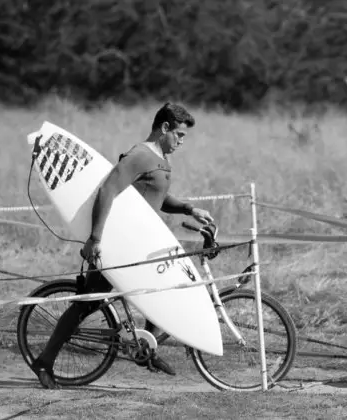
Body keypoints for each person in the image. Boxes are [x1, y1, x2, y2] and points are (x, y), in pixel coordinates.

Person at [30, 102, 215, 389]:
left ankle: (149, 352)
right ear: (164, 128)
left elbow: (157, 197)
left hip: (138, 246)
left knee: (161, 291)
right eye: (179, 135)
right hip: (118, 245)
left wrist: (190, 209)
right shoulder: (140, 155)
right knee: (87, 304)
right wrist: (96, 238)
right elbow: (108, 189)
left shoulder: (159, 159)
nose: (181, 141)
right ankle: (45, 360)